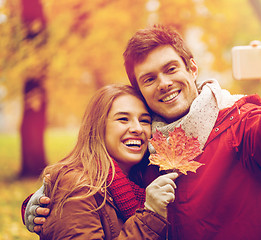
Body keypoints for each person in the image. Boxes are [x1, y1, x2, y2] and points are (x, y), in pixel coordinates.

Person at [26, 25, 261, 240]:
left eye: (170, 69)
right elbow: (100, 186)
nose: (164, 83)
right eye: (149, 78)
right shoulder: (146, 149)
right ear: (141, 90)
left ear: (192, 68)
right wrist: (44, 200)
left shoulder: (240, 124)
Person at [23, 83, 178, 239]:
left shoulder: (143, 178)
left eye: (144, 120)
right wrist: (149, 217)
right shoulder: (78, 187)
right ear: (98, 127)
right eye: (123, 119)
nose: (137, 128)